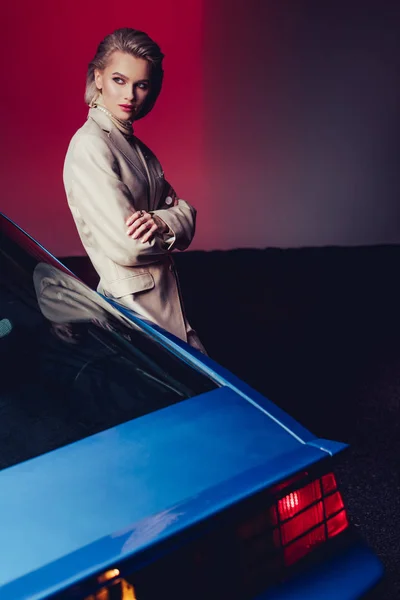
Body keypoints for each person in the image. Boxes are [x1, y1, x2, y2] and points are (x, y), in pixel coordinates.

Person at [63, 27, 205, 352]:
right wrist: (171, 218)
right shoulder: (90, 145)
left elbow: (187, 215)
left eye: (141, 85)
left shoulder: (139, 151)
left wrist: (162, 220)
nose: (130, 95)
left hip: (165, 314)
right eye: (119, 80)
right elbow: (130, 245)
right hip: (135, 320)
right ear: (98, 77)